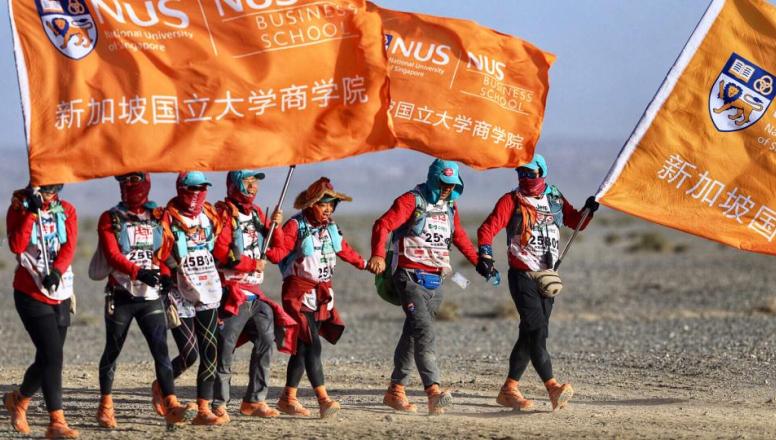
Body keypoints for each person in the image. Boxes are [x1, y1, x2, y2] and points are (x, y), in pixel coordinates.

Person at [476, 153, 598, 411]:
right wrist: (485, 255)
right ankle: (553, 387)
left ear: (542, 173)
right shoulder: (511, 200)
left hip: (548, 277)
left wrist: (589, 211)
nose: (525, 177)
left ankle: (509, 389)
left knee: (530, 333)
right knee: (537, 331)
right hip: (522, 275)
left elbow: (576, 222)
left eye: (530, 173)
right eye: (520, 173)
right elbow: (487, 229)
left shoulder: (554, 197)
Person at [368, 159, 486, 416]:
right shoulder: (411, 200)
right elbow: (383, 224)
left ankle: (395, 391)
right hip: (409, 278)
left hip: (436, 281)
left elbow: (460, 237)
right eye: (443, 183)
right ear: (434, 179)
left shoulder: (450, 207)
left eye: (451, 184)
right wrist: (377, 254)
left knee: (412, 334)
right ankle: (433, 391)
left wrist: (480, 263)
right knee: (425, 332)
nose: (446, 189)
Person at [91, 173, 195, 429]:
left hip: (150, 297)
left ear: (145, 183)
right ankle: (105, 406)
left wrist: (168, 276)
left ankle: (171, 404)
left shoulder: (158, 216)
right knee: (113, 350)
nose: (129, 186)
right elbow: (113, 255)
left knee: (161, 350)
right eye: (124, 181)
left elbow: (163, 252)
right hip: (122, 296)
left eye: (134, 180)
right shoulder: (111, 218)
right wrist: (138, 272)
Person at [265, 177, 368, 419]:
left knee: (301, 348)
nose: (329, 209)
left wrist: (366, 264)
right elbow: (276, 254)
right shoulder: (294, 226)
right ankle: (324, 400)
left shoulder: (330, 228)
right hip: (298, 295)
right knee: (313, 345)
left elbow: (344, 250)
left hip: (321, 295)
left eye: (332, 206)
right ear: (312, 204)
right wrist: (272, 231)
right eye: (324, 205)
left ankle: (287, 398)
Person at [211, 170, 297, 420]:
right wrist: (250, 265)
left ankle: (254, 401)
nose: (252, 187)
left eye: (255, 182)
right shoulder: (225, 214)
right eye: (247, 182)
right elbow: (221, 252)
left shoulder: (258, 214)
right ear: (234, 184)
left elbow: (277, 253)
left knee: (266, 341)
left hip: (255, 295)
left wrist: (276, 227)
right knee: (225, 349)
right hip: (231, 293)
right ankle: (219, 403)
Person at [4, 184, 79, 438]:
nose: (51, 190)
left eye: (56, 185)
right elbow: (16, 245)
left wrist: (57, 271)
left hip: (60, 290)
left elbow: (69, 247)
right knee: (53, 356)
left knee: (48, 358)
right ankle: (56, 423)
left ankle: (19, 401)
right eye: (46, 185)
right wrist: (31, 214)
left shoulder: (67, 210)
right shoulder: (20, 206)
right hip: (30, 292)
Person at [157, 172, 227, 426]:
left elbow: (218, 245)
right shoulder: (167, 218)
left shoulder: (209, 215)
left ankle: (203, 409)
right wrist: (166, 275)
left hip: (207, 288)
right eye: (192, 188)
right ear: (181, 189)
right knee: (189, 354)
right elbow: (160, 252)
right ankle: (163, 387)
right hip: (179, 292)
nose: (197, 193)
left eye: (202, 187)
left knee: (211, 350)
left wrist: (232, 260)